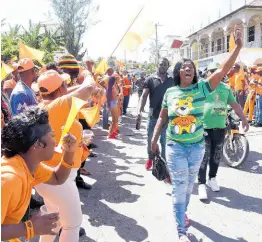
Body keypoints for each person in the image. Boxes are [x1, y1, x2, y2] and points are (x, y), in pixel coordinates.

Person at [151, 27, 243, 242]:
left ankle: (182, 214)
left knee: (188, 187)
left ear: (194, 72)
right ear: (178, 72)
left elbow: (222, 71)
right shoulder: (170, 92)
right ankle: (181, 231)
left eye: (190, 66)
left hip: (197, 147)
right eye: (184, 67)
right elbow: (163, 118)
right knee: (180, 186)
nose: (188, 68)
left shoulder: (202, 88)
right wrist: (154, 140)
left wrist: (237, 47)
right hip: (175, 146)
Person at [34, 69, 96, 242]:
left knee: (54, 220)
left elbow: (66, 94)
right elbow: (89, 87)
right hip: (59, 177)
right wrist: (87, 74)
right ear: (61, 89)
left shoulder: (45, 106)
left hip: (48, 175)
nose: (68, 86)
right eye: (65, 84)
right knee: (73, 224)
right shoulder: (59, 105)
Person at [1, 106, 77, 241]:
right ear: (37, 144)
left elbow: (57, 178)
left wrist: (69, 152)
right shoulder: (9, 179)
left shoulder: (27, 164)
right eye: (52, 136)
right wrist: (29, 228)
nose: (56, 141)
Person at [198, 62, 249, 200]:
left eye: (218, 71)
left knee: (216, 156)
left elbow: (235, 105)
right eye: (212, 71)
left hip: (220, 128)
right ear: (207, 73)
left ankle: (212, 179)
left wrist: (244, 119)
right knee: (204, 156)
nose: (216, 73)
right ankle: (201, 184)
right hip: (204, 127)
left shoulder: (226, 89)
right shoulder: (202, 86)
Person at [136, 58, 173, 170]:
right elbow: (144, 96)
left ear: (168, 66)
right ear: (158, 65)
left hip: (167, 117)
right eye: (161, 64)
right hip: (153, 116)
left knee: (164, 141)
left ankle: (164, 163)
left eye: (165, 65)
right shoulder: (150, 79)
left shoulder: (172, 80)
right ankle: (150, 158)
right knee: (151, 139)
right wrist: (139, 110)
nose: (163, 66)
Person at [106, 68, 119, 139]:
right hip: (113, 103)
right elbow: (114, 96)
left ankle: (112, 133)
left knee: (114, 119)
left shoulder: (110, 87)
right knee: (115, 120)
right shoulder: (112, 88)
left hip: (112, 103)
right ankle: (110, 134)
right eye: (115, 80)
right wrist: (118, 95)